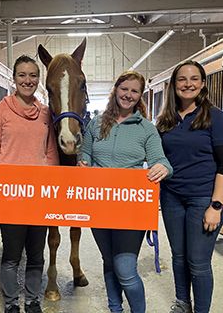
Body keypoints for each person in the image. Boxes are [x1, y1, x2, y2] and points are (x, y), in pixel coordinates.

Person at [78, 70, 173, 313]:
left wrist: (162, 167)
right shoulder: (96, 124)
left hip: (129, 209)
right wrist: (84, 161)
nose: (128, 95)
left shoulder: (146, 129)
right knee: (109, 261)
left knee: (126, 268)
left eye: (134, 91)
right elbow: (85, 153)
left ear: (139, 96)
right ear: (116, 89)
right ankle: (115, 309)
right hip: (98, 205)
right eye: (124, 89)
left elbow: (162, 161)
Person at [0, 55, 59, 313]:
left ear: (38, 80)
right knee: (11, 255)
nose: (28, 80)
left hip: (39, 194)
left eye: (33, 75)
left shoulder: (45, 113)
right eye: (22, 75)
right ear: (14, 78)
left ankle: (33, 301)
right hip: (11, 195)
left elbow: (51, 152)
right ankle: (11, 303)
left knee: (36, 254)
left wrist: (54, 183)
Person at [156, 60, 223, 313]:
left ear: (203, 84)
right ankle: (183, 303)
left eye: (194, 79)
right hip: (172, 197)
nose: (188, 84)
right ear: (174, 85)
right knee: (179, 257)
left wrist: (216, 205)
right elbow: (156, 159)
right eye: (182, 79)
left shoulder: (215, 117)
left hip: (203, 198)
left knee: (198, 261)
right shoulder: (165, 121)